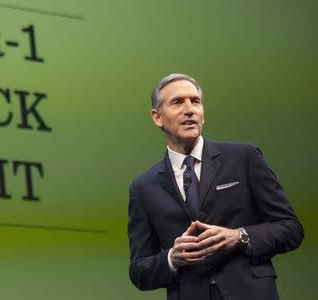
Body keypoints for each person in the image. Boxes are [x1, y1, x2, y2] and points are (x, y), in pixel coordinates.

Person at [127, 73, 304, 300]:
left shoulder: (245, 158)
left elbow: (291, 229)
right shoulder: (143, 188)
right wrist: (172, 257)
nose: (189, 109)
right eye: (177, 102)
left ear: (203, 114)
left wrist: (239, 236)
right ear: (157, 117)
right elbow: (138, 270)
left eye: (195, 101)